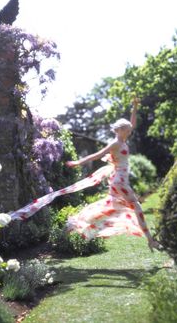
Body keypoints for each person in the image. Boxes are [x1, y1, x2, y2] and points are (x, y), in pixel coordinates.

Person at [65, 97, 161, 252]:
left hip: (118, 180)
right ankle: (150, 240)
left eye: (130, 130)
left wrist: (135, 107)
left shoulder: (123, 140)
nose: (130, 131)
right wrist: (78, 162)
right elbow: (96, 155)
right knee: (136, 207)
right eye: (128, 130)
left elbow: (133, 124)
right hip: (120, 181)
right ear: (121, 130)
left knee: (111, 208)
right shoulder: (115, 143)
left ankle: (77, 224)